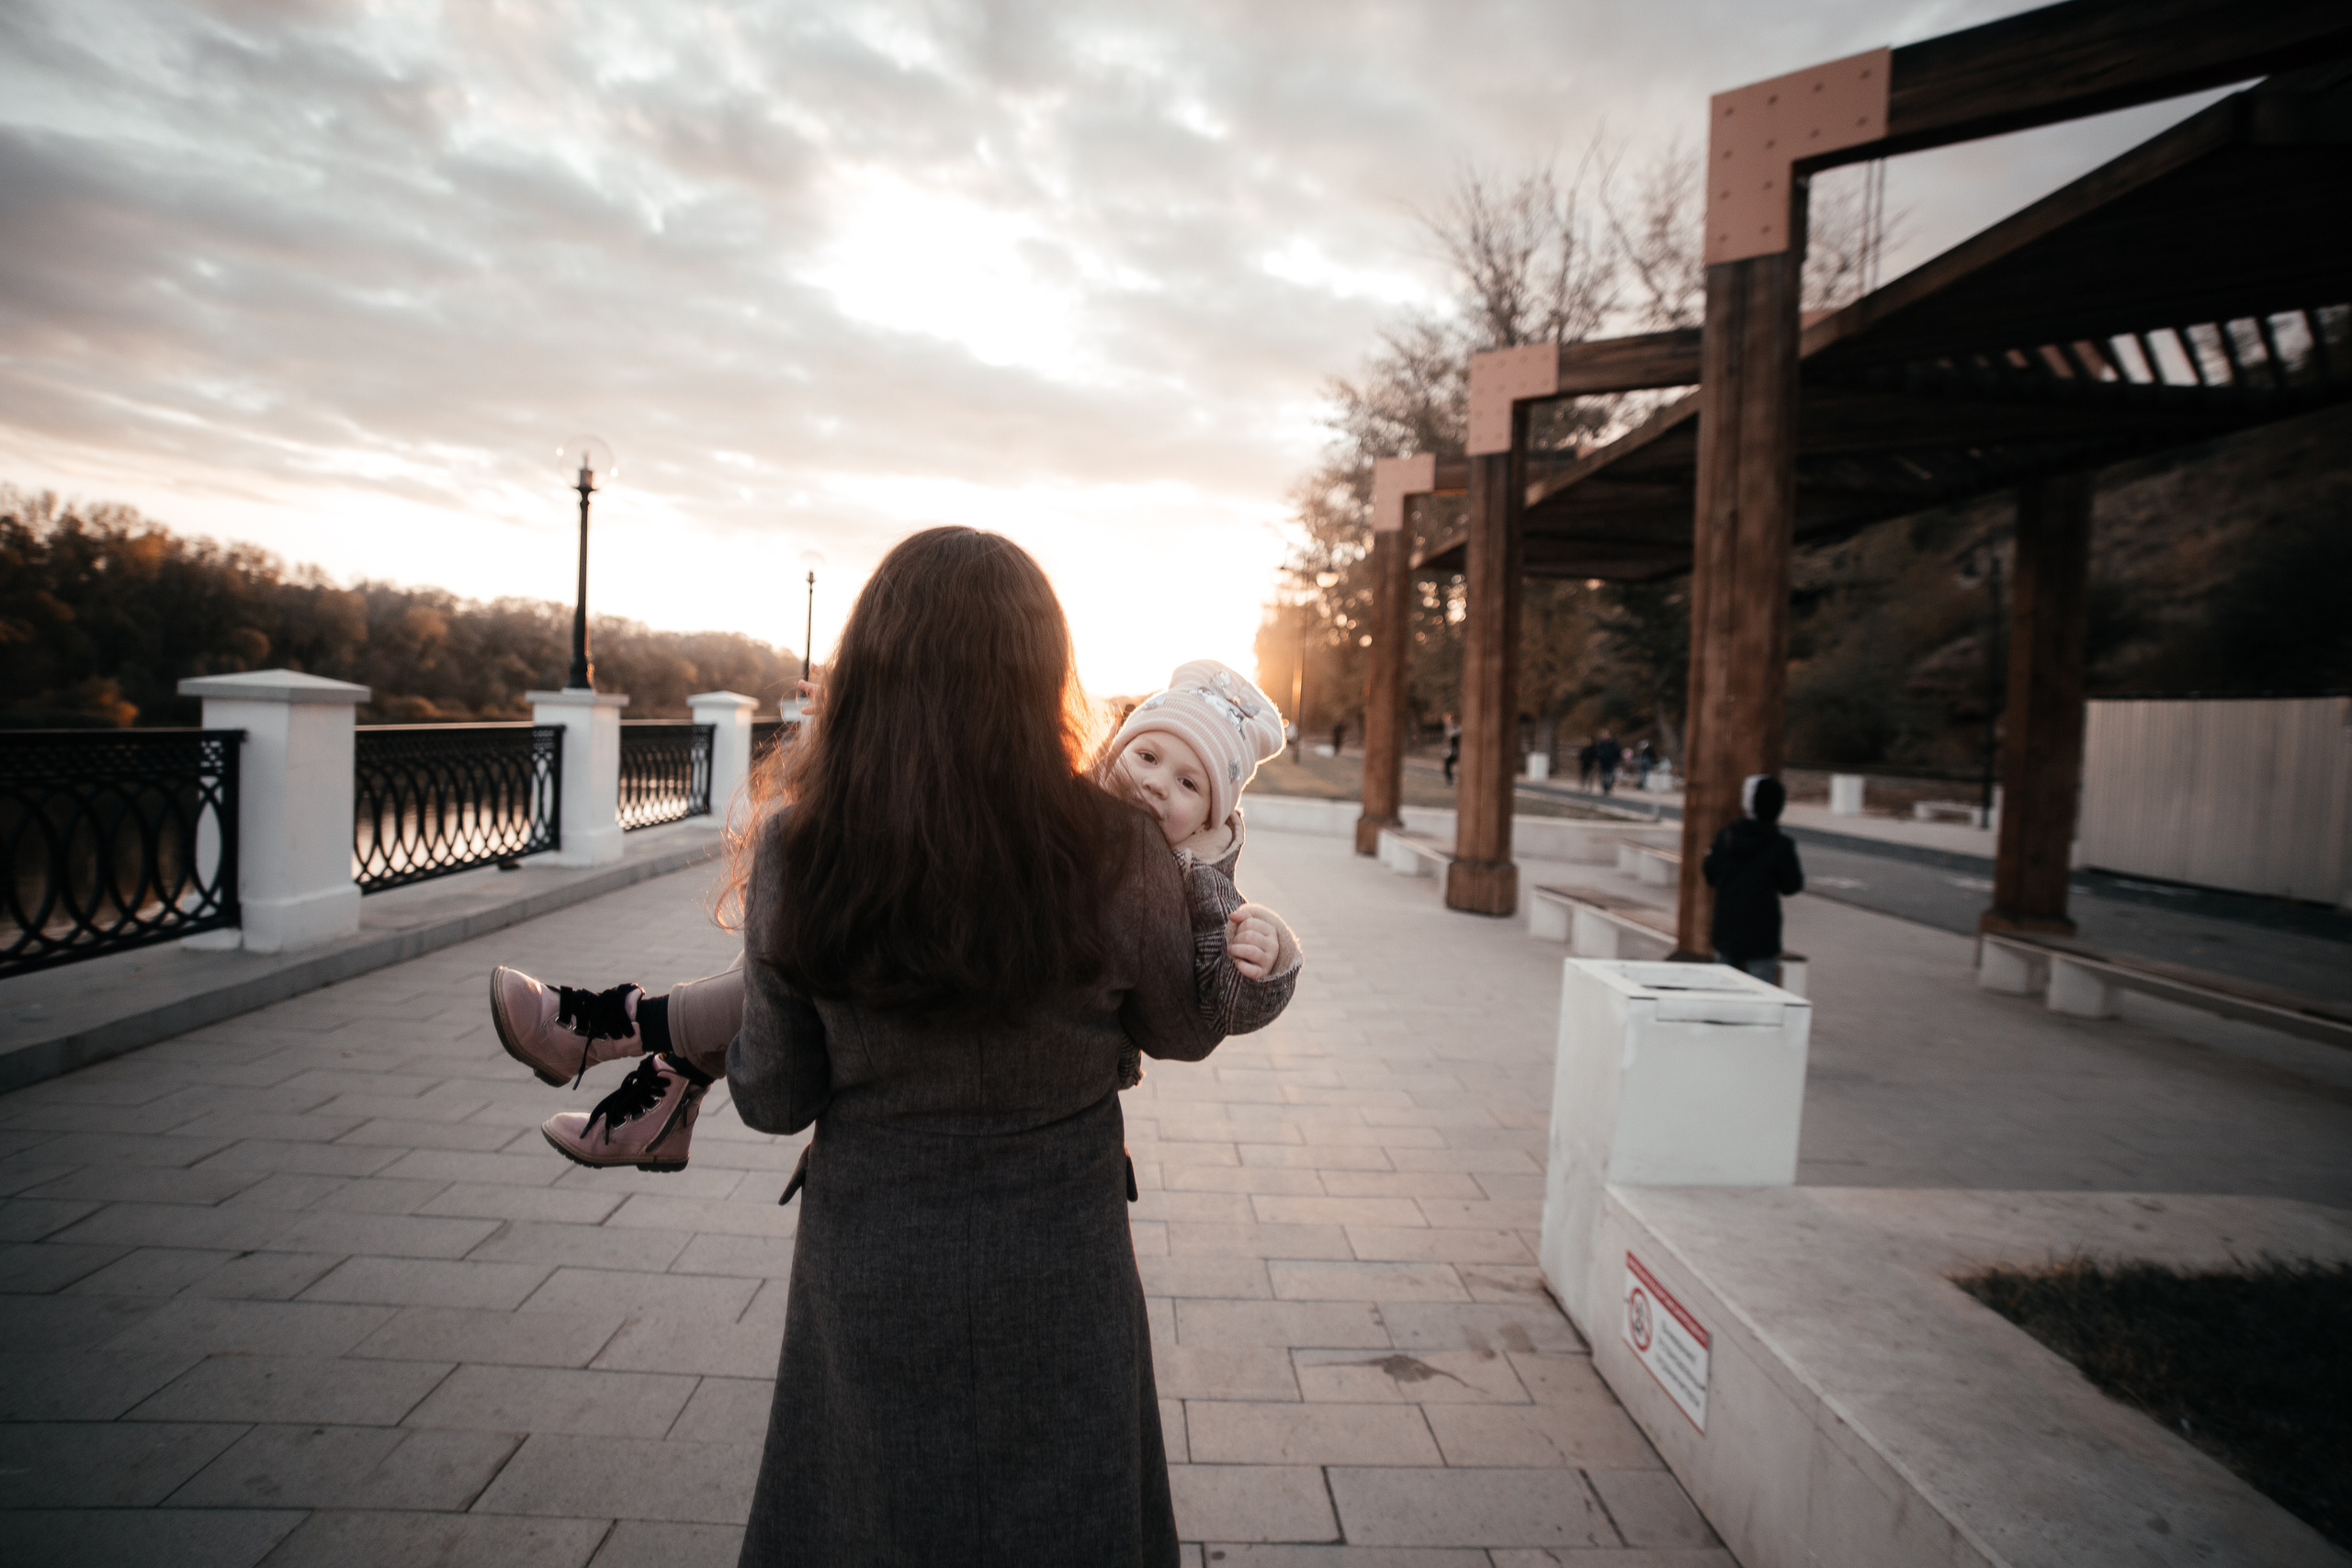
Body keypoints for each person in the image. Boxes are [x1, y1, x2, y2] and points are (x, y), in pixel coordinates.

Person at [492, 660, 1303, 1173]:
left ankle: (629, 1033)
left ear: (1211, 817)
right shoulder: (1058, 807)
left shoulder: (1187, 875)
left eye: (1189, 783)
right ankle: (651, 1056)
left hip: (986, 1115)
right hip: (1012, 1138)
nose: (1157, 783)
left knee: (811, 952)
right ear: (1116, 746)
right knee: (810, 948)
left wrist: (1275, 957)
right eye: (1148, 754)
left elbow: (1199, 1015)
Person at [1702, 773, 1804, 982]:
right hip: (1762, 933)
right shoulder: (1781, 845)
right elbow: (1791, 885)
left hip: (1727, 928)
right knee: (1761, 990)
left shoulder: (1726, 837)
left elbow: (1710, 875)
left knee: (1722, 988)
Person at [1594, 729, 1623, 795]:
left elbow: (1618, 752)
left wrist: (1617, 759)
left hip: (1612, 762)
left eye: (1606, 734)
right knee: (1604, 777)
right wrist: (1600, 757)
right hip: (1603, 763)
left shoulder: (1614, 743)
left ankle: (1609, 787)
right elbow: (1597, 752)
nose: (1604, 736)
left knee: (1613, 776)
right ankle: (1605, 790)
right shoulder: (1601, 743)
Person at [1442, 712, 1461, 784]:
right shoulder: (1450, 729)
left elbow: (1454, 740)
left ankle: (1452, 779)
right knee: (1447, 765)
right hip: (1451, 750)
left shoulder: (1457, 729)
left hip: (1455, 750)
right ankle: (1450, 779)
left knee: (1449, 764)